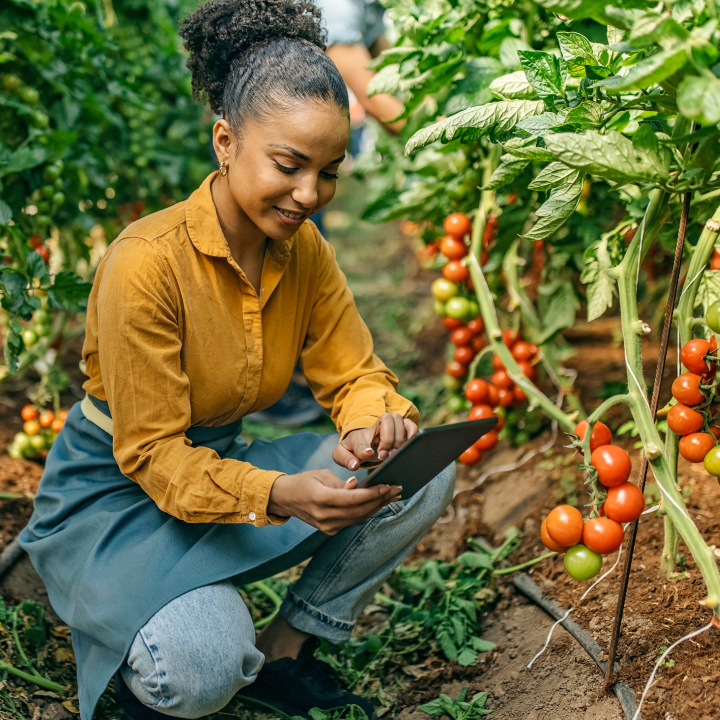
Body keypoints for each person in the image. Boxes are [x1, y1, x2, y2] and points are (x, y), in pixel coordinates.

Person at [19, 2, 455, 720]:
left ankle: (286, 651)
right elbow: (155, 456)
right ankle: (139, 641)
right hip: (118, 495)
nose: (309, 195)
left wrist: (371, 427)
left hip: (221, 466)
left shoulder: (301, 249)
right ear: (226, 141)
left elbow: (354, 372)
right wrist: (281, 493)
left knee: (422, 469)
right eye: (288, 166)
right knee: (201, 666)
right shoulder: (145, 265)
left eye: (329, 172)